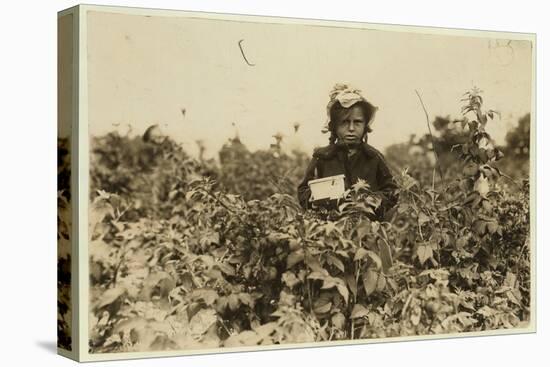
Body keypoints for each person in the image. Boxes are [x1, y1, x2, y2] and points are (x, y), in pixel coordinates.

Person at [297, 83, 398, 220]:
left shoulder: (374, 157)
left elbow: (391, 191)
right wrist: (316, 199)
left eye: (357, 122)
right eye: (345, 122)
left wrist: (369, 202)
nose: (351, 128)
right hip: (330, 228)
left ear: (365, 126)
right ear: (334, 126)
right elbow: (303, 191)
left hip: (368, 228)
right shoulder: (322, 157)